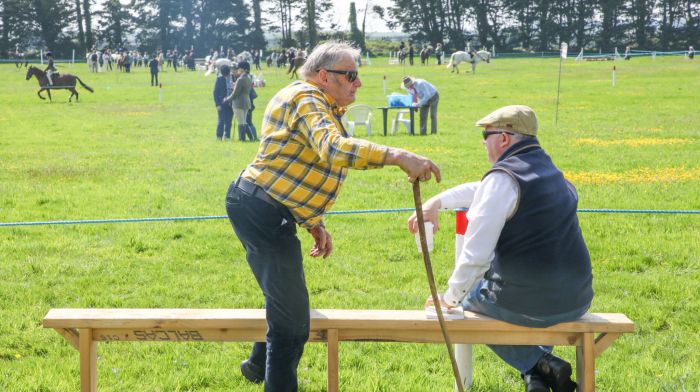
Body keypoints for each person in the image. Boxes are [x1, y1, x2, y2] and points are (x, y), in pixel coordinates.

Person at [226, 41, 441, 392]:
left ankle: (255, 366)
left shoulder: (319, 102)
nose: (358, 83)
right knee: (292, 322)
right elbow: (333, 149)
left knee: (284, 296)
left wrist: (313, 221)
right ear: (324, 76)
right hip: (261, 208)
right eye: (351, 75)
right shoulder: (307, 97)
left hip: (266, 207)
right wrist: (398, 155)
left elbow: (298, 161)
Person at [408, 105, 593, 392]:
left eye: (486, 135)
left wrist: (450, 298)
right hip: (578, 299)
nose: (483, 142)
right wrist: (437, 202)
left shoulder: (503, 179)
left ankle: (539, 365)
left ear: (504, 138)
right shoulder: (551, 172)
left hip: (532, 303)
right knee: (502, 293)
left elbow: (475, 258)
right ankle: (537, 380)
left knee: (467, 298)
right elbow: (486, 189)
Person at [224, 61, 254, 142]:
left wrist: (227, 99)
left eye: (239, 68)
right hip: (247, 101)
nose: (237, 70)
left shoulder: (240, 79)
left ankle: (242, 139)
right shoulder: (249, 77)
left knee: (241, 122)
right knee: (244, 121)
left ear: (244, 69)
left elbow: (235, 94)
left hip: (238, 102)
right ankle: (251, 138)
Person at [213, 64, 234, 141]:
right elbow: (215, 92)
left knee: (229, 121)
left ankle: (227, 136)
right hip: (221, 103)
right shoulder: (219, 79)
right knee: (221, 120)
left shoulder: (233, 78)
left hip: (230, 103)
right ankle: (219, 136)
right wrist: (217, 104)